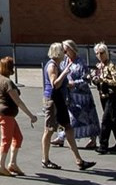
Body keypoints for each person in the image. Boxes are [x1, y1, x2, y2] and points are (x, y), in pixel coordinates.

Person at [41, 42, 96, 171]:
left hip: (60, 100)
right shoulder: (52, 66)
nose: (65, 54)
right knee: (49, 130)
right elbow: (55, 84)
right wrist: (65, 73)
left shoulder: (57, 65)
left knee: (68, 128)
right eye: (63, 52)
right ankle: (45, 159)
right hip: (53, 100)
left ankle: (79, 160)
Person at [0, 55, 37, 176]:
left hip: (1, 112)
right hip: (6, 114)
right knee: (6, 140)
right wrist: (31, 116)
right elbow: (18, 101)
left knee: (18, 137)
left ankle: (12, 163)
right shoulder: (8, 83)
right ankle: (1, 166)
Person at [60, 40, 100, 149]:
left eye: (65, 49)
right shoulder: (64, 62)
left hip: (82, 96)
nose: (64, 51)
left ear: (71, 49)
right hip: (69, 96)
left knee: (88, 117)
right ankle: (62, 136)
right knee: (70, 117)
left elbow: (86, 79)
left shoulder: (80, 63)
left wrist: (74, 83)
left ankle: (93, 139)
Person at [90, 43, 116, 154]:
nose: (100, 55)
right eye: (97, 53)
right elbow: (96, 81)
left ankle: (103, 145)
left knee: (106, 120)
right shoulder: (98, 66)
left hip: (113, 96)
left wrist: (103, 80)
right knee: (113, 119)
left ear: (106, 53)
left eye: (102, 53)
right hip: (103, 96)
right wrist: (94, 79)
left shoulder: (111, 66)